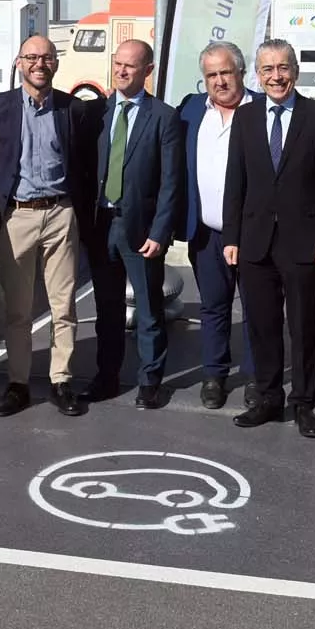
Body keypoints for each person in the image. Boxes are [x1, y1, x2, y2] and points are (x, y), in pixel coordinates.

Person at [0, 34, 101, 418]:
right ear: (18, 62)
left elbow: (84, 165)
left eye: (46, 57)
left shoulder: (72, 109)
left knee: (64, 306)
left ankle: (61, 380)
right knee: (18, 310)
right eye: (31, 57)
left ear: (56, 63)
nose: (39, 64)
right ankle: (18, 384)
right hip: (18, 217)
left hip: (61, 214)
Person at [222, 39, 315, 439]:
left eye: (284, 68)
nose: (277, 77)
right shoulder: (246, 117)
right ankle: (268, 398)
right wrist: (231, 235)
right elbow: (235, 183)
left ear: (295, 70)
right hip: (255, 241)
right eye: (268, 70)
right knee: (261, 325)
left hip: (303, 241)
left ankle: (305, 404)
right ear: (257, 75)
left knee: (303, 327)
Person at [83, 40, 184, 409]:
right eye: (118, 63)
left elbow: (172, 181)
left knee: (148, 307)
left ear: (148, 70)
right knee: (107, 308)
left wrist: (161, 232)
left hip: (139, 228)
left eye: (131, 65)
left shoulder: (164, 116)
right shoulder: (96, 112)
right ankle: (106, 377)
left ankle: (149, 381)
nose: (122, 71)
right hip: (100, 225)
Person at [176, 41, 260, 409]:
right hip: (206, 232)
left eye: (226, 72)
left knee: (258, 308)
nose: (220, 81)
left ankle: (258, 378)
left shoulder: (263, 110)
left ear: (241, 72)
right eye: (211, 75)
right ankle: (215, 375)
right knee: (213, 306)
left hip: (255, 232)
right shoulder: (191, 111)